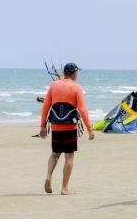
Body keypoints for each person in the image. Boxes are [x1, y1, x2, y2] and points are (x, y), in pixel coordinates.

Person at [39, 62, 94, 195]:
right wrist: (89, 129)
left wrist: (42, 126)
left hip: (56, 126)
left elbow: (46, 107)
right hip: (70, 126)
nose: (77, 74)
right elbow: (83, 109)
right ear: (74, 73)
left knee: (55, 154)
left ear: (65, 73)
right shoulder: (77, 87)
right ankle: (64, 188)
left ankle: (48, 176)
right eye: (77, 72)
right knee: (69, 156)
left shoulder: (53, 85)